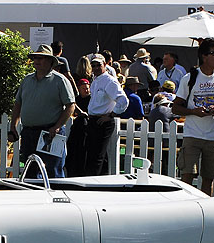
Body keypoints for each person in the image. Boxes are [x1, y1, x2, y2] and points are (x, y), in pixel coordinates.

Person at [171, 38, 214, 196]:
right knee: (187, 176)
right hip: (193, 134)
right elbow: (175, 107)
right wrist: (194, 111)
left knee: (209, 178)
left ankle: (205, 206)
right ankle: (186, 207)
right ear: (204, 56)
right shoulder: (190, 78)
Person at [9, 44, 76, 178]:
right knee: (30, 172)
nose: (37, 61)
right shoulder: (27, 80)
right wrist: (13, 126)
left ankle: (56, 192)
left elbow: (71, 106)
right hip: (29, 132)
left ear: (50, 61)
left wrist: (57, 127)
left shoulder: (60, 80)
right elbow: (18, 103)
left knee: (54, 172)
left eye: (41, 58)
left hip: (50, 133)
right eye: (35, 58)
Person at [85, 54, 129, 175]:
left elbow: (123, 101)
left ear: (105, 65)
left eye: (98, 65)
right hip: (94, 120)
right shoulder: (95, 81)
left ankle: (93, 180)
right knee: (98, 155)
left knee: (97, 156)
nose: (95, 68)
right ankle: (101, 178)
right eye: (93, 65)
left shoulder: (109, 81)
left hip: (103, 121)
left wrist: (110, 115)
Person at [66, 78, 91, 177]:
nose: (86, 90)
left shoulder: (92, 99)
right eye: (83, 88)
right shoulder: (76, 100)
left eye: (87, 88)